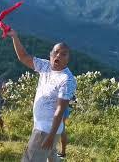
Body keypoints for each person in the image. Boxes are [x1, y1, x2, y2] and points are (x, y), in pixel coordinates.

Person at [6, 30, 77, 162]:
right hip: (42, 126)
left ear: (68, 59)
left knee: (29, 159)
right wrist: (14, 37)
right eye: (56, 52)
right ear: (50, 54)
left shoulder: (67, 79)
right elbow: (23, 57)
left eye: (63, 54)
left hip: (46, 130)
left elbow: (60, 110)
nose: (58, 56)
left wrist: (50, 135)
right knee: (51, 157)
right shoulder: (45, 66)